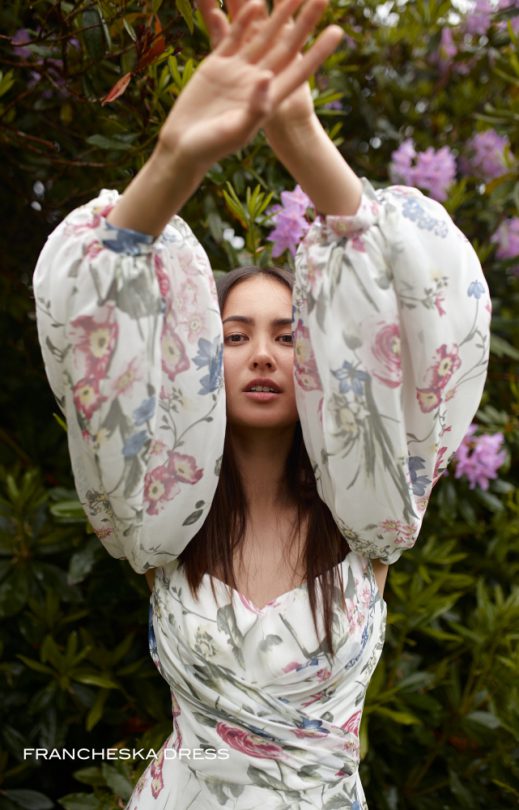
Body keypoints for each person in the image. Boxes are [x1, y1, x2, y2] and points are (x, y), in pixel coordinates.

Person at [32, 0, 491, 806]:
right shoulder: (162, 517)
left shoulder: (370, 515)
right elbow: (89, 303)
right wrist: (176, 155)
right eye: (235, 334)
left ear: (326, 360)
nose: (263, 354)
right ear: (197, 361)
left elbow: (423, 292)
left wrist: (301, 137)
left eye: (287, 334)